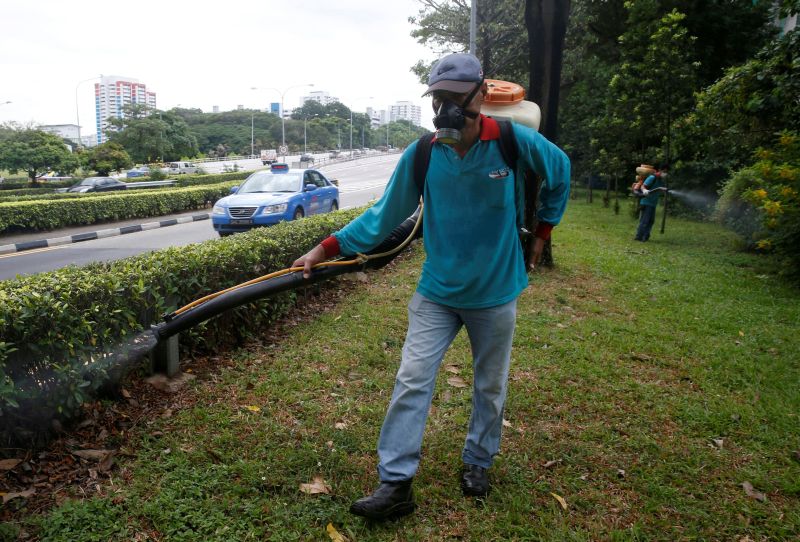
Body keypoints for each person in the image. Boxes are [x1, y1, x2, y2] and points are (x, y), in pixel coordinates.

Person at [293, 52, 571, 520]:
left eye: (454, 99)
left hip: (496, 291)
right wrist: (325, 248)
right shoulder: (423, 153)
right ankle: (395, 483)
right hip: (437, 292)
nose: (445, 109)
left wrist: (542, 233)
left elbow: (559, 173)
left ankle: (478, 463)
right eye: (438, 99)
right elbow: (384, 214)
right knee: (412, 379)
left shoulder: (511, 141)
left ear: (480, 95)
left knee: (490, 385)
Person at [634, 163, 668, 241]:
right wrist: (644, 190)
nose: (665, 174)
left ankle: (646, 236)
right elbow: (643, 186)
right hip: (646, 202)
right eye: (664, 171)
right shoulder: (652, 177)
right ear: (660, 170)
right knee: (645, 220)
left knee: (651, 221)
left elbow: (659, 189)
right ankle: (639, 236)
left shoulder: (661, 180)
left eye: (666, 172)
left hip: (653, 203)